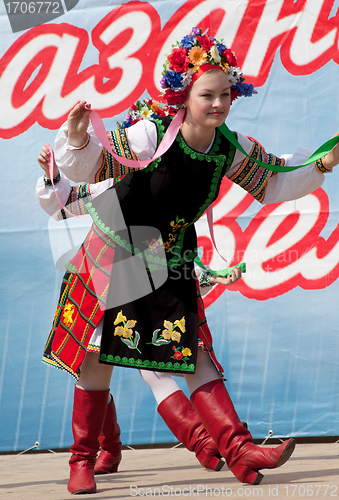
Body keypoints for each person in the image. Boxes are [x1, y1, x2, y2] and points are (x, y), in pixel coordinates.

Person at [36, 26, 339, 494]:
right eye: (207, 95)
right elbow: (92, 168)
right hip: (115, 251)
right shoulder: (148, 135)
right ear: (183, 94)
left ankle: (239, 450)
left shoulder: (228, 148)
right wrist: (77, 140)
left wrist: (321, 163)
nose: (218, 104)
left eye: (225, 94)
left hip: (169, 258)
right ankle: (82, 460)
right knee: (97, 357)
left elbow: (273, 182)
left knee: (190, 351)